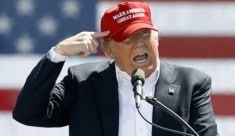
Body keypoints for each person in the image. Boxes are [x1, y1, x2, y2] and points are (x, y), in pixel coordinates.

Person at [13, 1, 218, 136]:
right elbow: (28, 113)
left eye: (145, 34)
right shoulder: (83, 81)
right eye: (128, 38)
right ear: (109, 50)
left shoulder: (192, 83)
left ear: (157, 38)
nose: (140, 43)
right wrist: (57, 54)